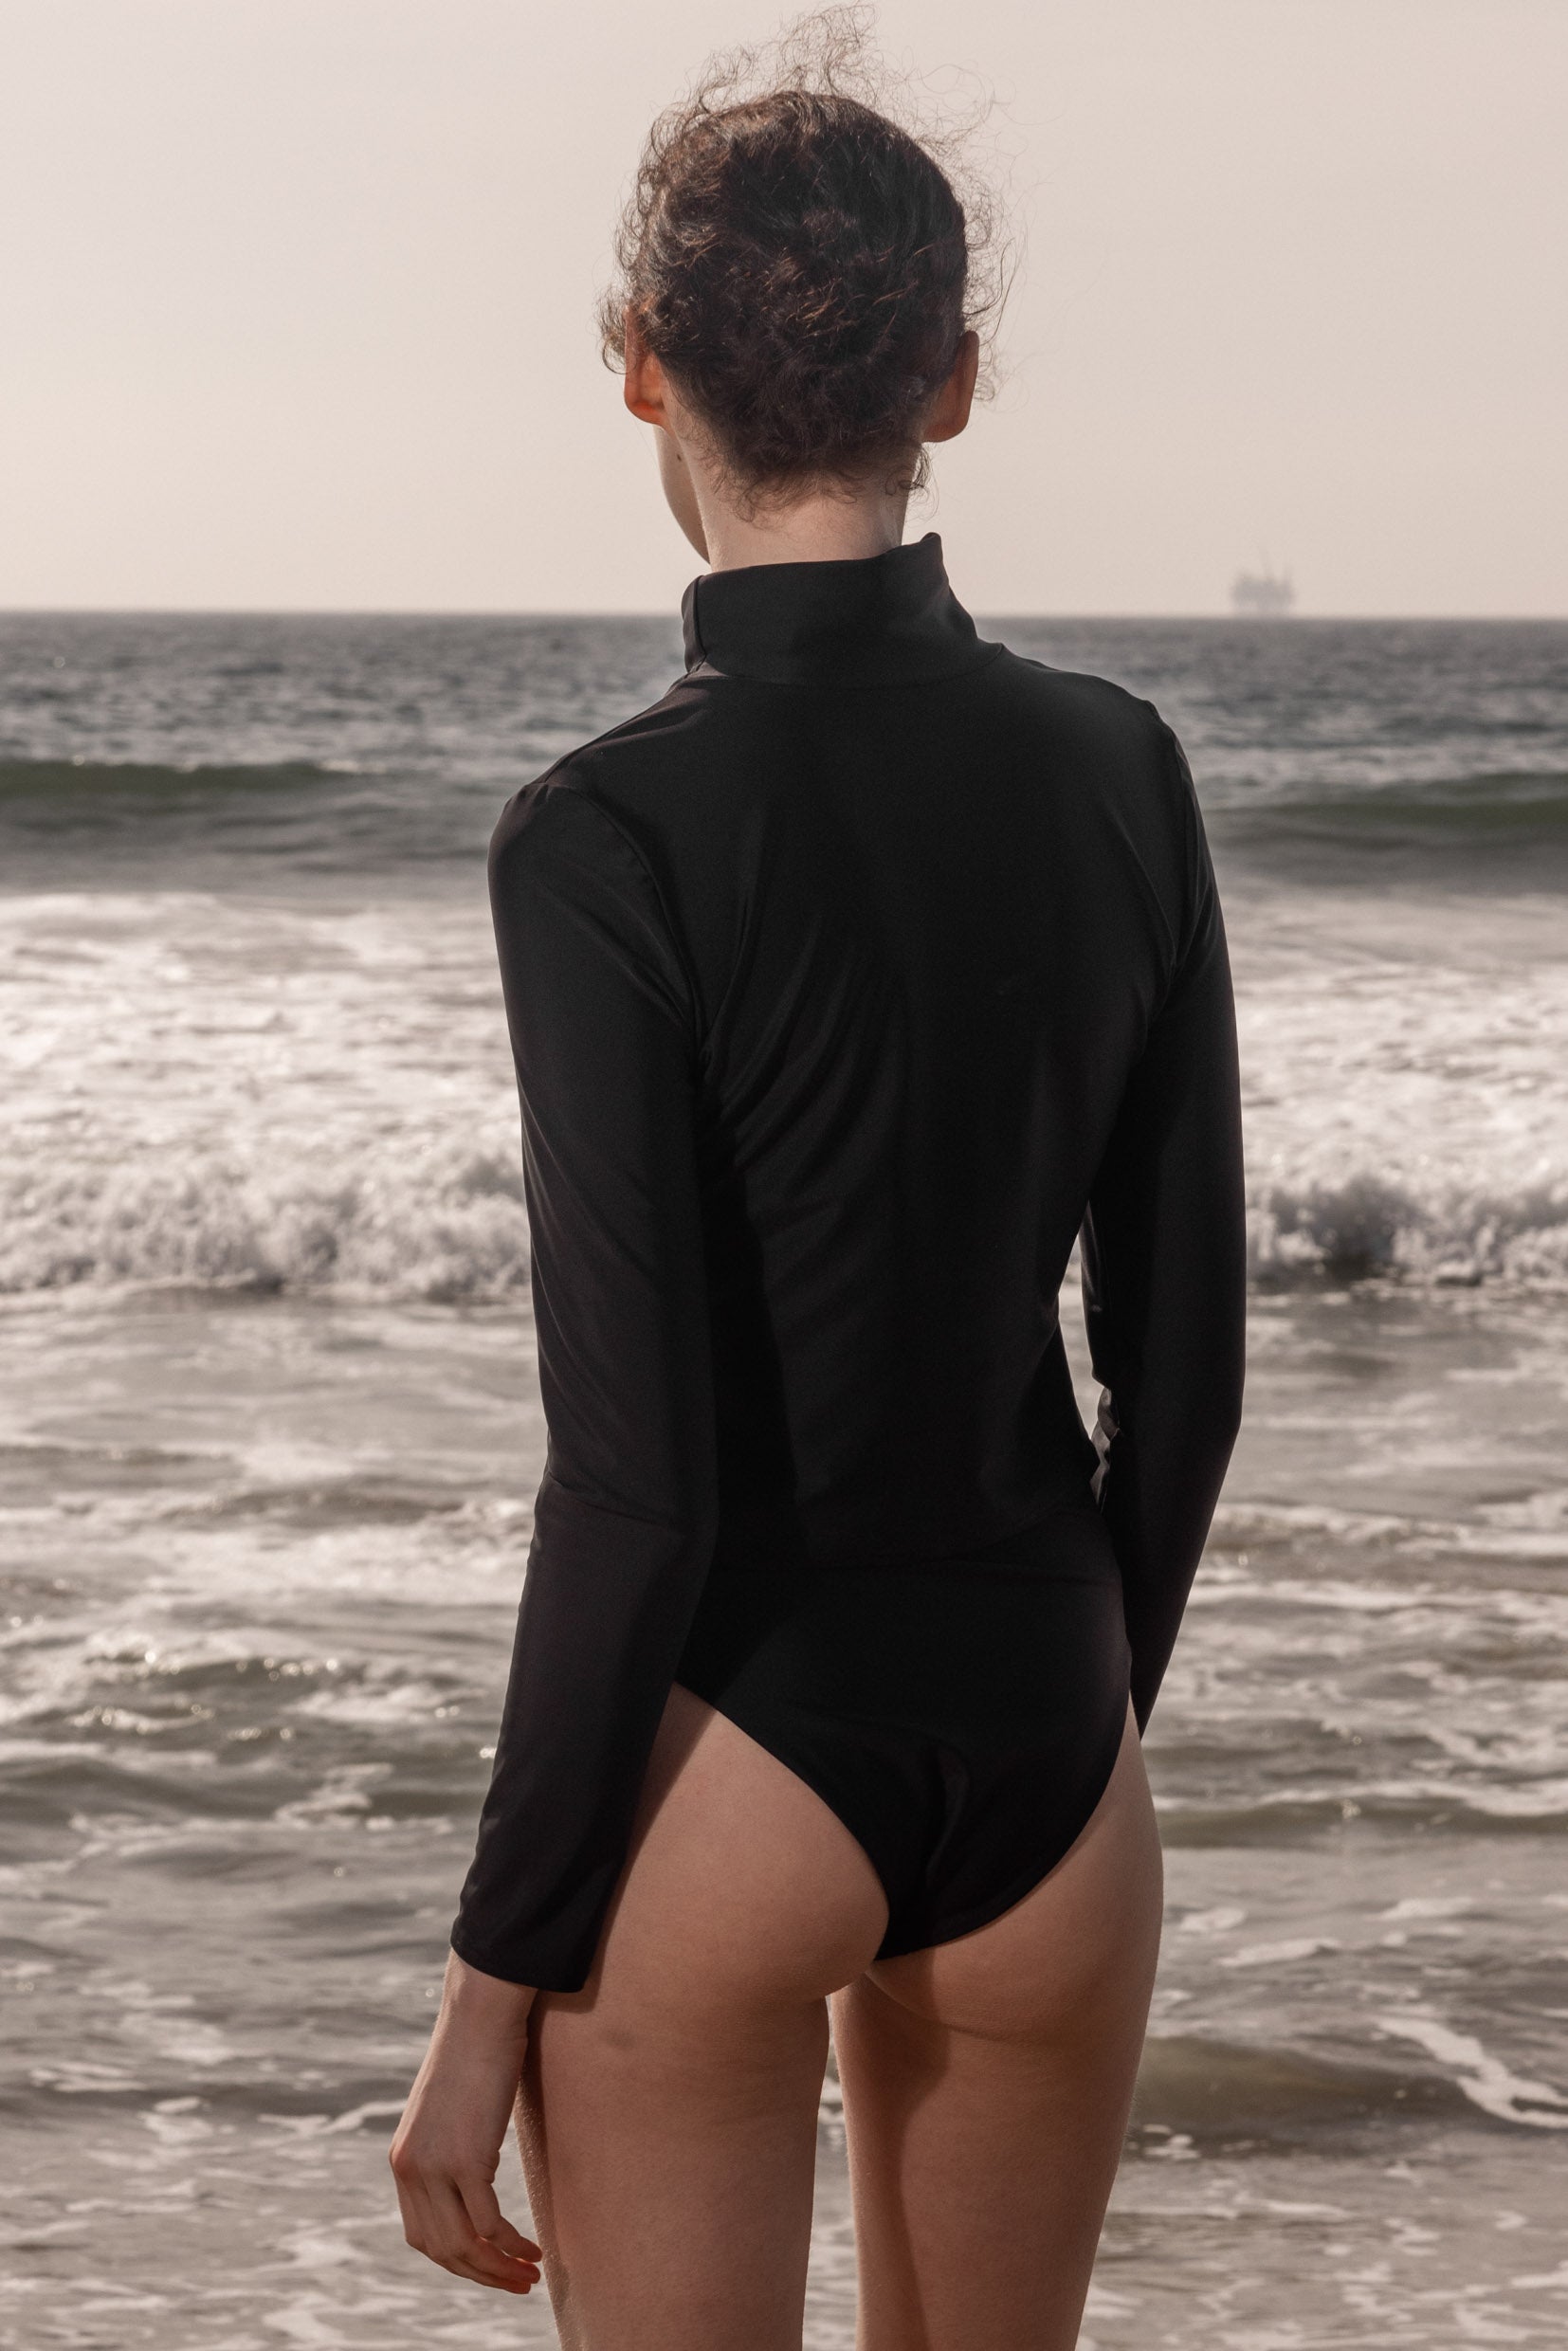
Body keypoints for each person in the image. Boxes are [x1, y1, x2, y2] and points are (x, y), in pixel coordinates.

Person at [391, 15, 1246, 2347]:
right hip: (1050, 1757)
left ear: (641, 367)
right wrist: (1075, 1712)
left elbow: (637, 1486)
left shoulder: (599, 838)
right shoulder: (1122, 772)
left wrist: (489, 1980)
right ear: (948, 379)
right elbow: (1180, 1378)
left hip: (730, 1771)